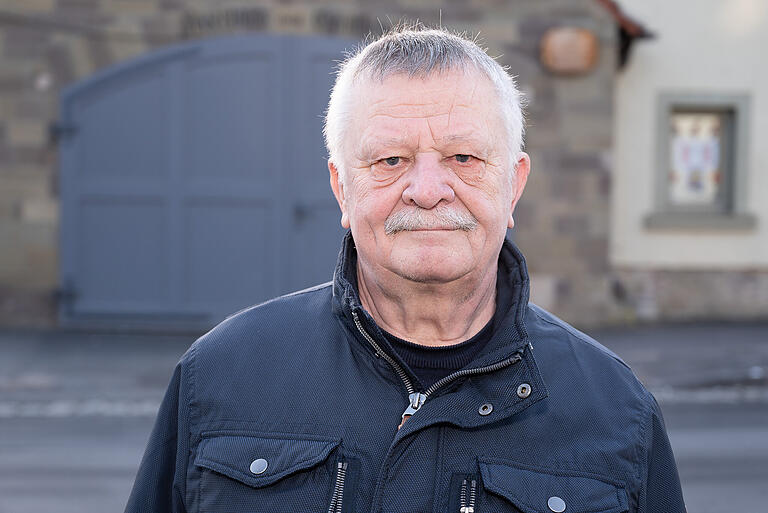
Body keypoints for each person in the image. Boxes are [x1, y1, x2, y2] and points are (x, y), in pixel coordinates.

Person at [125, 26, 686, 513]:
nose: (426, 191)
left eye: (463, 158)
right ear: (342, 188)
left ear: (513, 186)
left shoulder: (615, 410)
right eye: (390, 160)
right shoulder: (222, 375)